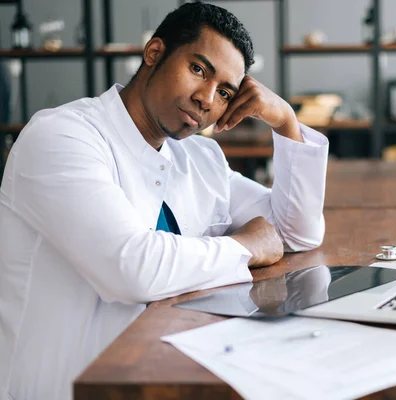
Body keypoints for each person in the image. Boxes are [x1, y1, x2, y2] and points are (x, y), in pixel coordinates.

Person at [0, 2, 328, 399]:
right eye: (199, 70)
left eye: (225, 92)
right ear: (154, 53)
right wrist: (244, 247)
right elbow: (132, 268)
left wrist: (287, 122)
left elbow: (296, 233)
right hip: (69, 386)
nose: (207, 98)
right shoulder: (61, 137)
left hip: (171, 370)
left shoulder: (199, 159)